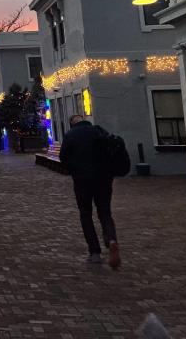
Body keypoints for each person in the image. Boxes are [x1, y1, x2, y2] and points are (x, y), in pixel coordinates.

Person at [59, 114, 121, 269]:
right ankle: (111, 240)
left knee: (85, 214)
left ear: (72, 124)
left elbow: (63, 158)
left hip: (82, 181)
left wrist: (74, 169)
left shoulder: (70, 135)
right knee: (105, 212)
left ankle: (94, 252)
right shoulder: (98, 131)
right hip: (104, 179)